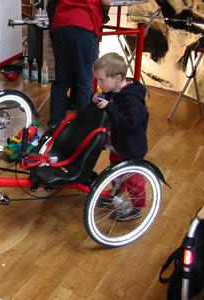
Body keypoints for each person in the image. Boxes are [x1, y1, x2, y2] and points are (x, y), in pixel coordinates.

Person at [92, 52, 149, 221]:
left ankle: (137, 207)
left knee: (133, 178)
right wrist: (95, 97)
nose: (99, 83)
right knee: (116, 172)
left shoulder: (132, 99)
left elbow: (130, 124)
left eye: (102, 80)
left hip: (130, 147)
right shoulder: (113, 90)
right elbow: (107, 101)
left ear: (117, 78)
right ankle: (116, 193)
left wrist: (110, 107)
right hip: (118, 145)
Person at [46, 0, 111, 127]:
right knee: (85, 81)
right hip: (85, 23)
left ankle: (54, 125)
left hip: (61, 24)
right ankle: (83, 128)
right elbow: (106, 1)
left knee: (61, 81)